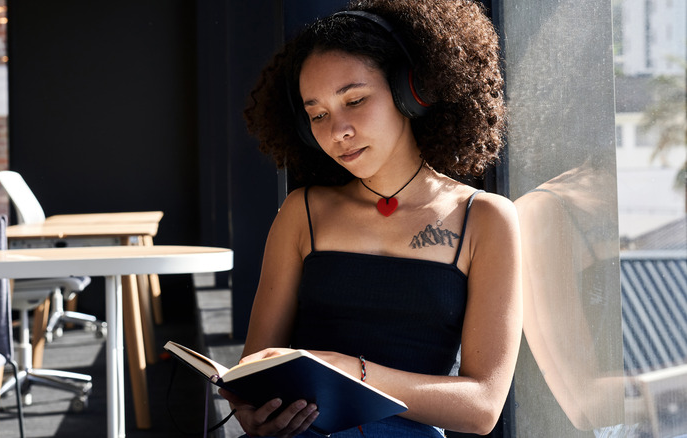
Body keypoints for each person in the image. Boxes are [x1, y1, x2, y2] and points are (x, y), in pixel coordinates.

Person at [220, 0, 523, 436]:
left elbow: (482, 407)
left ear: (410, 92)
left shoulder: (484, 218)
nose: (337, 130)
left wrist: (350, 372)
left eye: (355, 100)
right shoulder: (302, 214)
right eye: (318, 115)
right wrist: (253, 411)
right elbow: (255, 368)